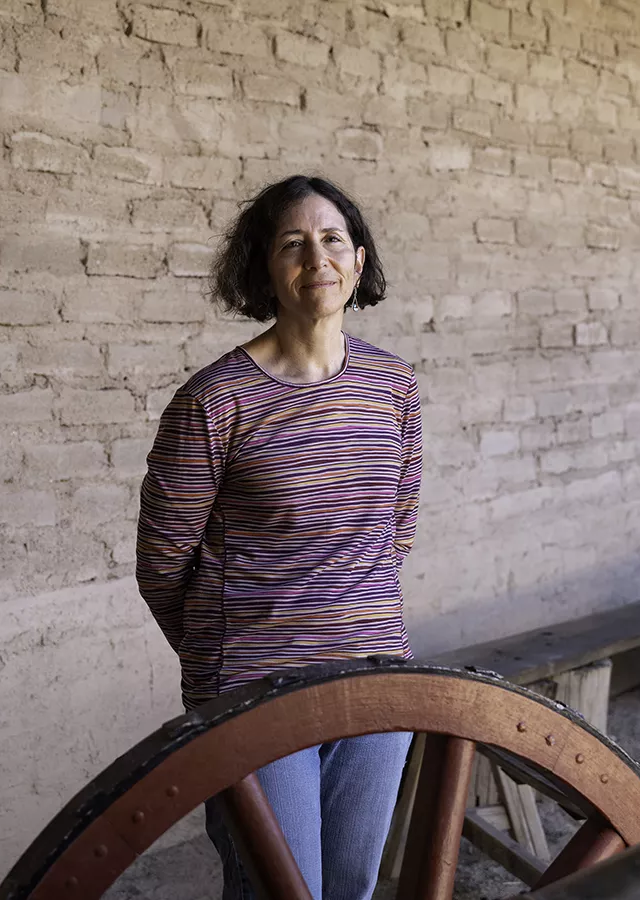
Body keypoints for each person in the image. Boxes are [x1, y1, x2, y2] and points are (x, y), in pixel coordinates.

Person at [135, 175, 421, 900]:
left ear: (358, 259)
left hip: (377, 678)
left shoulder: (395, 387)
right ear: (263, 265)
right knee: (279, 888)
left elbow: (396, 531)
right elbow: (163, 564)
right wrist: (231, 652)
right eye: (292, 243)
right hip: (254, 690)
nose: (315, 258)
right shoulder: (215, 401)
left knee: (352, 884)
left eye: (331, 240)